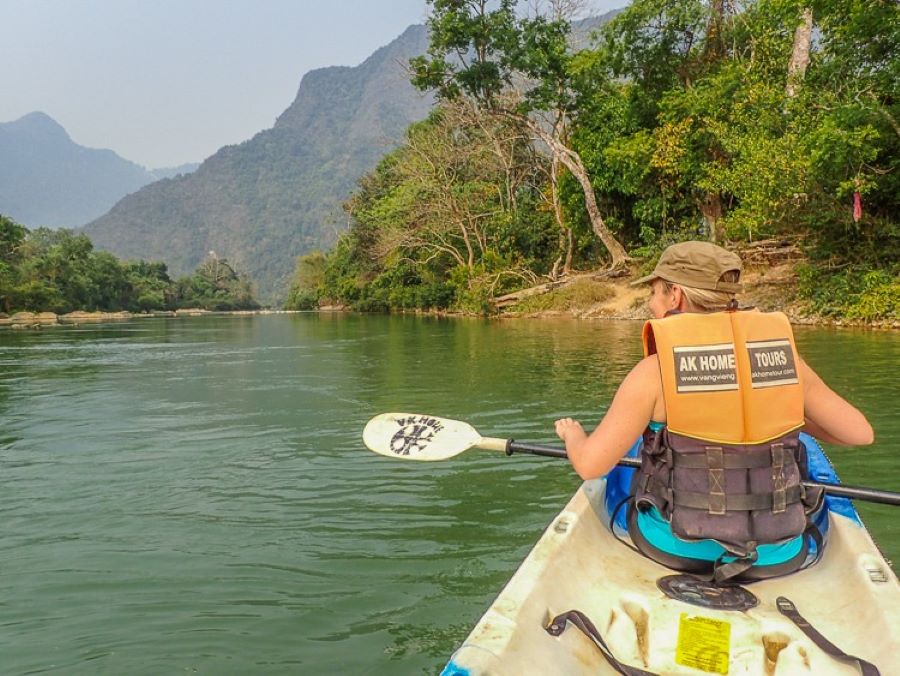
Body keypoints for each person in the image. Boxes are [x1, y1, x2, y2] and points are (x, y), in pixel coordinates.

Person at [554, 241, 874, 581]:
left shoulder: (655, 372)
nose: (651, 303)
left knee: (629, 485)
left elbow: (591, 465)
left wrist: (573, 435)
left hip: (676, 547)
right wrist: (781, 413)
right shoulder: (783, 361)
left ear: (674, 295)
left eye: (654, 293)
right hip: (776, 554)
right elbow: (859, 433)